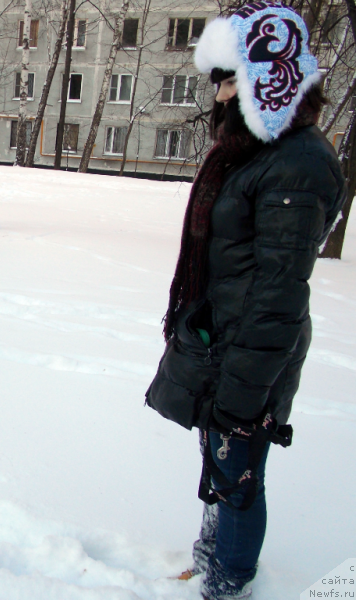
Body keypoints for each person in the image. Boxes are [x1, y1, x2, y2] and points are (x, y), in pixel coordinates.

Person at [148, 2, 347, 599]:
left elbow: (279, 296)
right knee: (218, 460)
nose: (218, 97)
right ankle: (210, 558)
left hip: (252, 350)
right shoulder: (257, 151)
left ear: (268, 78)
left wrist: (242, 392)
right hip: (223, 338)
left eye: (228, 80)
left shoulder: (299, 164)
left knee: (239, 474)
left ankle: (228, 582)